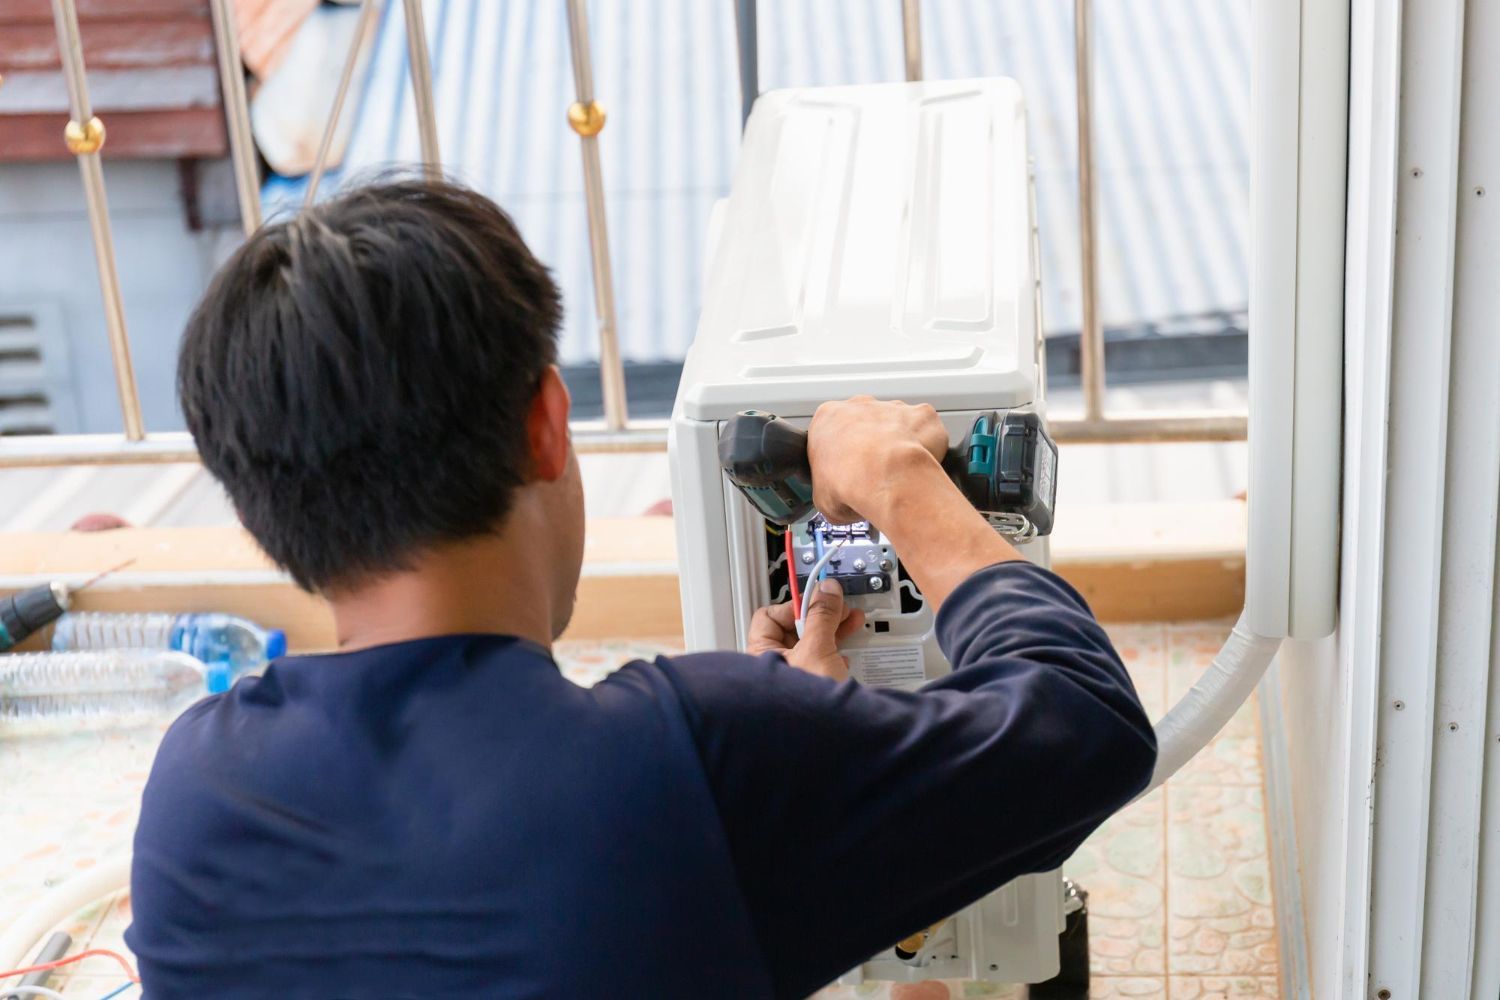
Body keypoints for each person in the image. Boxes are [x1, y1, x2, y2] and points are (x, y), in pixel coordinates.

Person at [129, 178, 1156, 998]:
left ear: (262, 506)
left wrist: (782, 755)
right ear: (546, 422)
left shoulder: (195, 799)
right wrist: (896, 480)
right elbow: (1088, 722)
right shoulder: (690, 763)